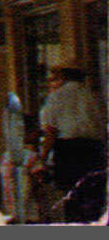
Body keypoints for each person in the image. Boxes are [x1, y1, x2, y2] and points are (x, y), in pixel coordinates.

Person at [33, 67, 107, 200]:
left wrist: (43, 156)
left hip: (68, 149)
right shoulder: (93, 95)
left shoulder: (57, 96)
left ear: (63, 77)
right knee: (92, 190)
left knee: (70, 191)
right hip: (92, 147)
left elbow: (51, 129)